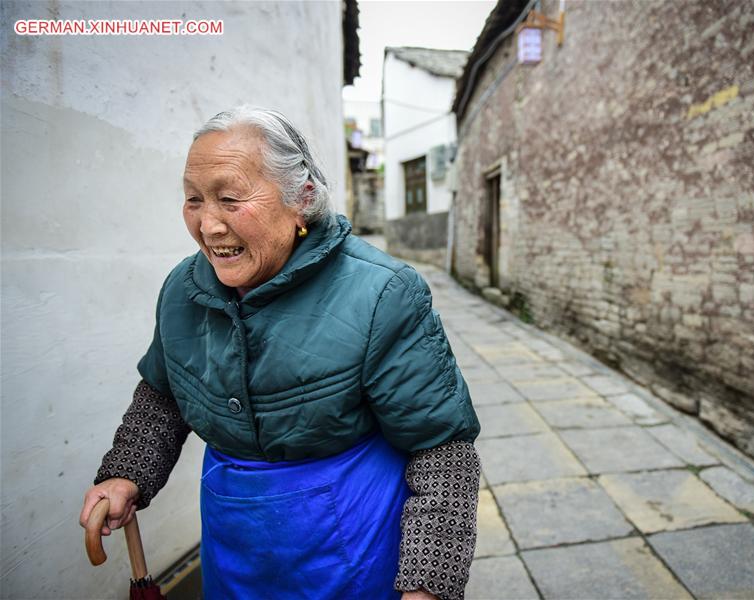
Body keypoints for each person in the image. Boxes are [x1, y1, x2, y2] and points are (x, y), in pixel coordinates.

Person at [79, 106, 481, 600]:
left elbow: (442, 446)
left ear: (302, 199)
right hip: (236, 541)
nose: (208, 225)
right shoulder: (183, 290)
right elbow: (165, 394)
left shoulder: (382, 294)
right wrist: (126, 472)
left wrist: (428, 585)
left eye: (229, 199)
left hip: (350, 544)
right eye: (193, 199)